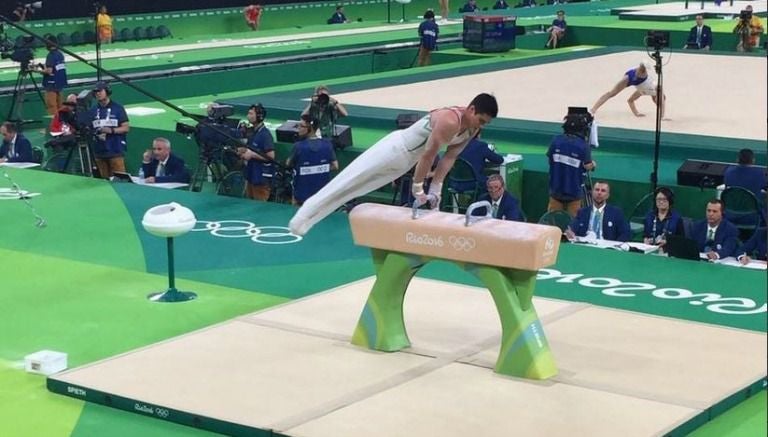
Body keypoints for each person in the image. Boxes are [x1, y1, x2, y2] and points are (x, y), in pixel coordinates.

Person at [289, 93, 498, 236]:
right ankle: (303, 215)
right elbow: (429, 155)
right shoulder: (450, 120)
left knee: (356, 190)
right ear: (471, 109)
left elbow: (449, 159)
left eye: (486, 123)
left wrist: (436, 190)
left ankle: (310, 222)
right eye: (480, 120)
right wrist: (418, 189)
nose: (481, 126)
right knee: (348, 181)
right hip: (394, 149)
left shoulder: (472, 130)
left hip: (406, 162)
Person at [546, 113, 596, 217]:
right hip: (574, 193)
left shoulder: (556, 141)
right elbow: (587, 166)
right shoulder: (583, 146)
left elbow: (550, 159)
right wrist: (593, 165)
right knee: (574, 226)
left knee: (553, 223)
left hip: (555, 190)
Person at [287, 115, 339, 205]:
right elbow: (335, 166)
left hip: (301, 196)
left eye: (301, 126)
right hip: (322, 196)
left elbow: (288, 163)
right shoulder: (327, 145)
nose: (298, 128)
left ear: (310, 128)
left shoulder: (298, 146)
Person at [590, 62, 666, 119]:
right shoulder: (650, 87)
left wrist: (636, 113)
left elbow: (630, 101)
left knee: (611, 93)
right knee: (611, 93)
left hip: (639, 81)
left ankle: (593, 109)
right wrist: (662, 116)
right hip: (630, 78)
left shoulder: (643, 90)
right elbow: (630, 100)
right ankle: (593, 110)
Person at [89, 81, 129, 179]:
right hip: (99, 151)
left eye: (100, 91)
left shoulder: (118, 108)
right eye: (96, 92)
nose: (97, 93)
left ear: (107, 91)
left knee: (120, 180)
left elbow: (126, 127)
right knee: (103, 182)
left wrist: (111, 131)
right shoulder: (93, 110)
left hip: (115, 150)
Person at [566, 181, 630, 242]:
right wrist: (570, 232)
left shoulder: (616, 213)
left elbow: (625, 233)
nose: (599, 193)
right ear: (592, 193)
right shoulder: (582, 212)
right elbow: (572, 230)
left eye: (603, 191)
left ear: (608, 195)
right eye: (597, 190)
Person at [237, 104, 275, 201]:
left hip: (260, 179)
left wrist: (252, 155)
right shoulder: (252, 132)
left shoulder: (265, 135)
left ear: (259, 116)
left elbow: (271, 156)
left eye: (251, 113)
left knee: (260, 209)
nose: (248, 116)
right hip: (251, 176)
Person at [37, 36, 68, 117]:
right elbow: (55, 68)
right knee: (60, 106)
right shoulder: (60, 54)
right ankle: (62, 123)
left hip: (51, 85)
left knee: (52, 107)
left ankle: (54, 126)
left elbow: (49, 71)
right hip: (59, 83)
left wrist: (36, 70)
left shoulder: (50, 55)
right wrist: (44, 67)